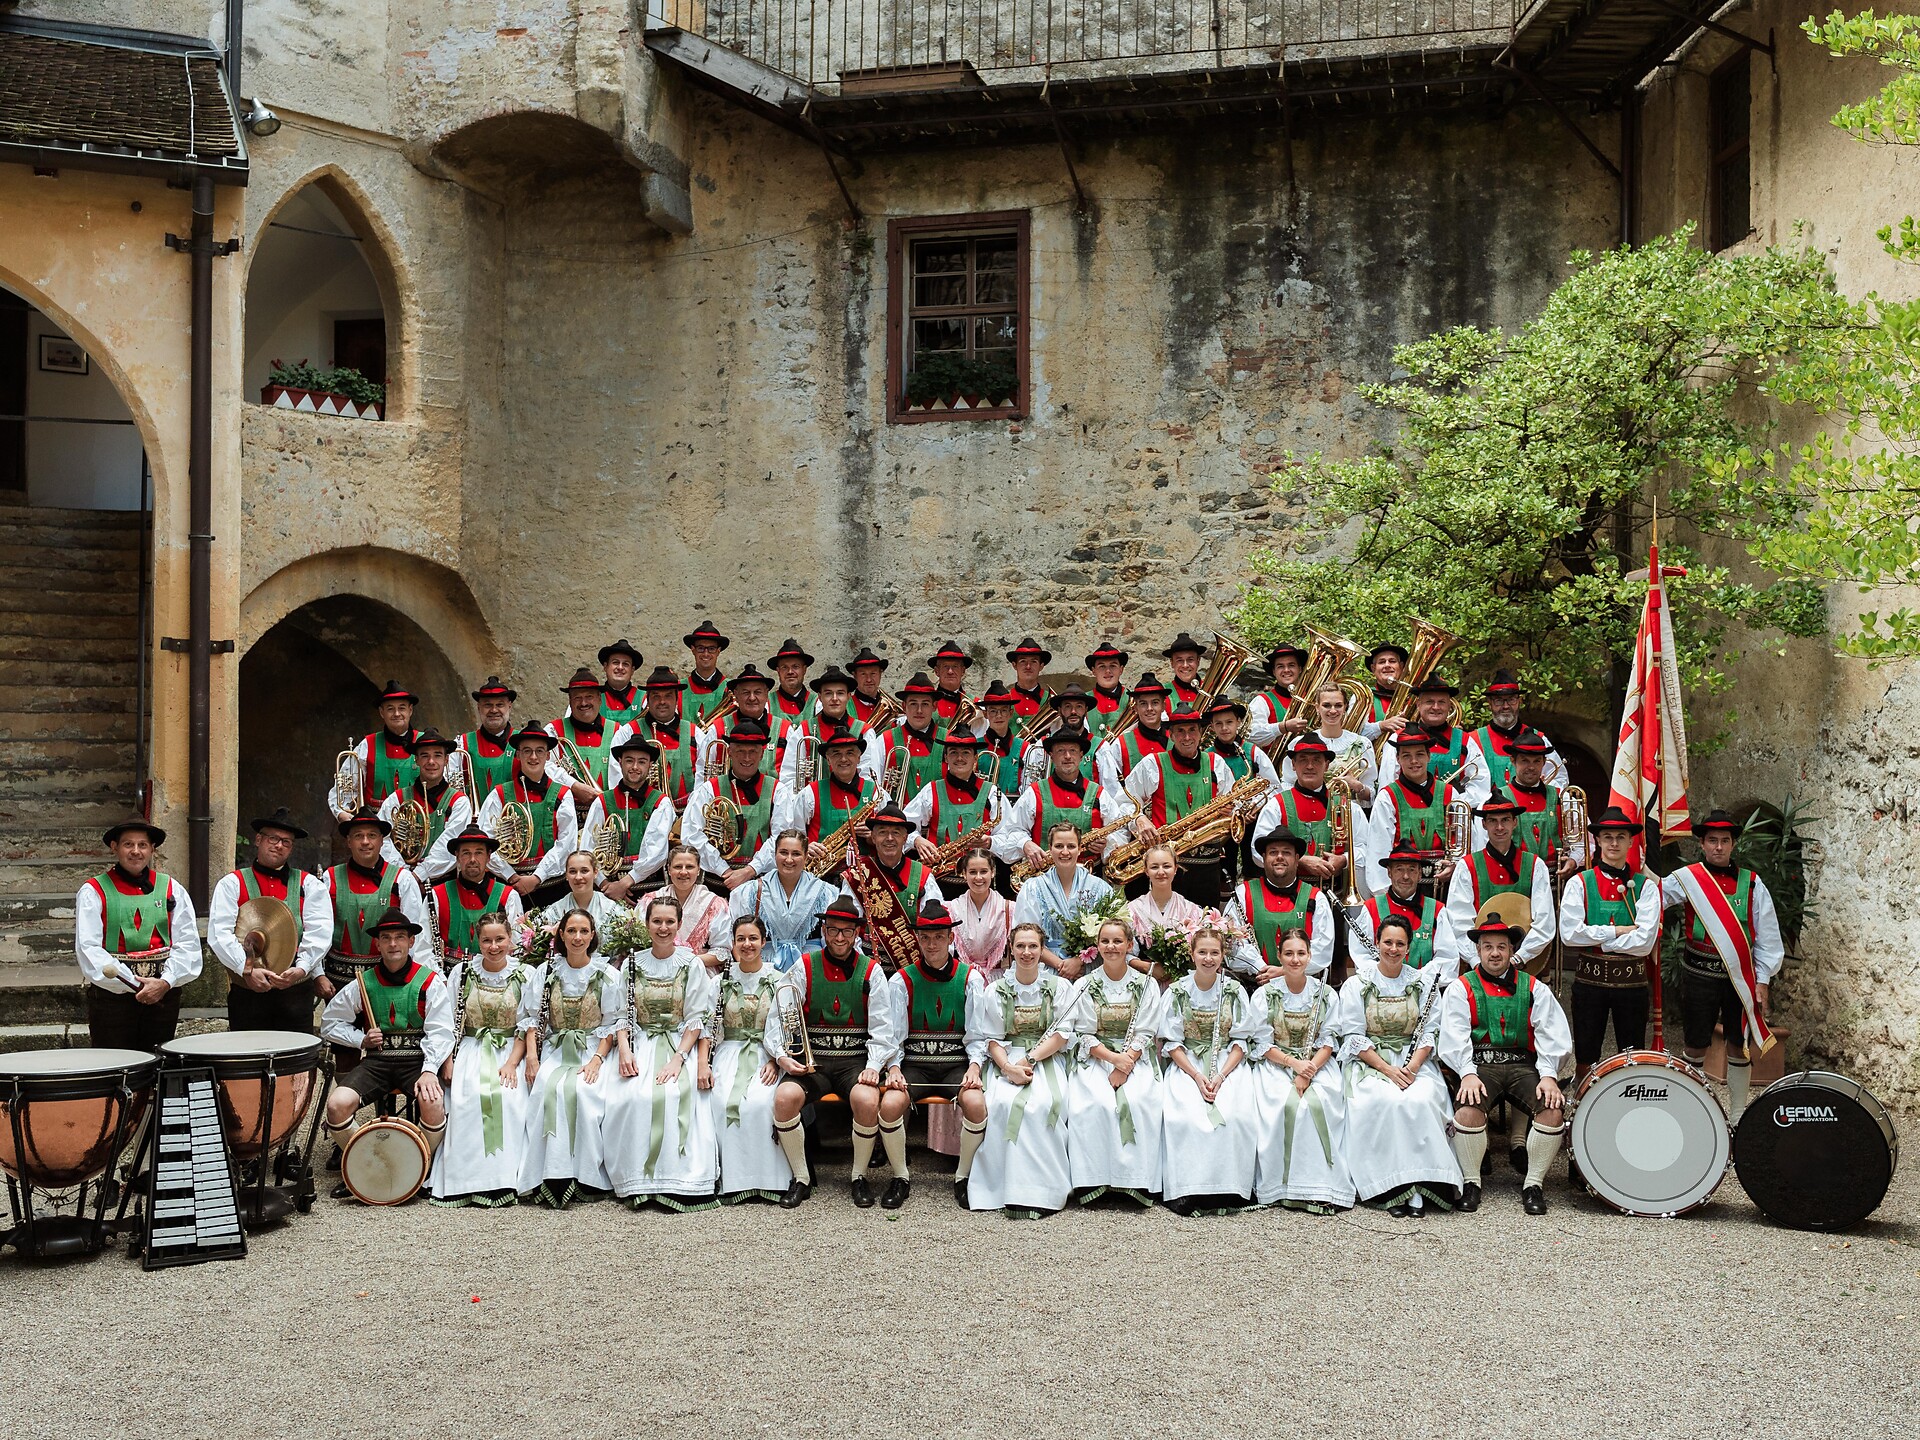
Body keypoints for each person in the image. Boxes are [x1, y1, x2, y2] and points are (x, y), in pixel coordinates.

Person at [766, 896, 902, 1209]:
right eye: (833, 930)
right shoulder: (804, 966)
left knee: (867, 1101)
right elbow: (779, 1014)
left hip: (854, 1061)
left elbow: (884, 1027)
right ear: (824, 931)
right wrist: (782, 1056)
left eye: (846, 931)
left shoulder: (871, 971)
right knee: (784, 1099)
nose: (839, 937)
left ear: (857, 934)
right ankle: (801, 1178)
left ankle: (859, 1176)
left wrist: (873, 1065)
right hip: (814, 1061)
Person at [1438, 909, 1573, 1214]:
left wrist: (1548, 1075)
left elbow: (1552, 1034)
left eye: (1501, 946)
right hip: (1480, 1066)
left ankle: (1533, 1184)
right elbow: (1454, 1035)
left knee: (1552, 1109)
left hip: (1523, 1066)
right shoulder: (1461, 987)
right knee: (1467, 1110)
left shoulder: (1534, 987)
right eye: (1488, 947)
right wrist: (1467, 1073)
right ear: (1478, 950)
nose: (1495, 953)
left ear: (1512, 950)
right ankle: (1471, 1182)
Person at [1659, 808, 1786, 1122]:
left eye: (1724, 840)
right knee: (1695, 1045)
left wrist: (1763, 980)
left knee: (1738, 1044)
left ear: (1733, 844)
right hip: (1698, 974)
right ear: (1702, 844)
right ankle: (1691, 1113)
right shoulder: (1688, 879)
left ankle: (1738, 1114)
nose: (1718, 846)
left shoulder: (1752, 883)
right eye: (1712, 840)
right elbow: (1654, 899)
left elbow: (1768, 935)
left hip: (1738, 979)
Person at [319, 906, 453, 1199]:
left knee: (433, 1103)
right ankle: (365, 1168)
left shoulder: (429, 981)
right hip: (377, 1063)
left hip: (416, 1062)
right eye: (386, 938)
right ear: (377, 944)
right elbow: (329, 1023)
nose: (393, 944)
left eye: (400, 937)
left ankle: (415, 1171)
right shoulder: (363, 983)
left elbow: (442, 1032)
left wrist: (430, 1070)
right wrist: (361, 1040)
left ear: (411, 941)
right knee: (337, 1105)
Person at [1335, 914, 1459, 1215]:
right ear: (1377, 943)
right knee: (1385, 1100)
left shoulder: (1423, 983)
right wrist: (1388, 1070)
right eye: (1387, 942)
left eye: (1400, 944)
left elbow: (1430, 1032)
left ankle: (1423, 1185)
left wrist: (1412, 1068)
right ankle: (1391, 1186)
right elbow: (1354, 1035)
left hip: (1413, 1061)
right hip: (1371, 1062)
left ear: (1408, 948)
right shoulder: (1357, 984)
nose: (1393, 949)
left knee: (1422, 1099)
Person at [602, 893, 719, 1210]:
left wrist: (679, 1059)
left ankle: (679, 1179)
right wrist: (624, 1050)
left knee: (675, 1093)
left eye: (669, 921)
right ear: (647, 924)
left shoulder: (691, 964)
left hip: (679, 1043)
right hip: (640, 1042)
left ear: (679, 925)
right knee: (632, 1097)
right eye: (657, 921)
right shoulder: (632, 964)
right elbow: (622, 1014)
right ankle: (637, 1178)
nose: (663, 928)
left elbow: (696, 1018)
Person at [965, 921, 1076, 1214]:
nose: (1027, 952)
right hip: (1006, 1057)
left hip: (1046, 1056)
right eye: (1021, 946)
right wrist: (1007, 1067)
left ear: (1042, 949)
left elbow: (1061, 1035)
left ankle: (1044, 1189)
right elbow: (992, 1038)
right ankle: (1004, 1188)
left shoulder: (1059, 988)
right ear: (1011, 950)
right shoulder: (995, 990)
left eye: (1033, 946)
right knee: (1001, 1103)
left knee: (1045, 1104)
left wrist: (1028, 1061)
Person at [885, 898, 990, 1206]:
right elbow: (893, 1036)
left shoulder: (970, 978)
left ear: (950, 937)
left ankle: (963, 1177)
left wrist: (974, 1067)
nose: (932, 944)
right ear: (918, 939)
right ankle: (900, 1176)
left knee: (976, 1104)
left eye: (939, 937)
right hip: (915, 1065)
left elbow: (978, 1034)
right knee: (890, 1105)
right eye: (926, 937)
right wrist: (893, 1068)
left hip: (956, 1065)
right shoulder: (901, 980)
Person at [428, 913, 537, 1207]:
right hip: (471, 1046)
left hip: (510, 1049)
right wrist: (447, 1060)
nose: (493, 946)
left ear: (510, 939)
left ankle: (505, 1178)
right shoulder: (462, 972)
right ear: (478, 941)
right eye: (487, 940)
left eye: (500, 939)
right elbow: (447, 1021)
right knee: (467, 1098)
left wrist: (513, 1063)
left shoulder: (525, 974)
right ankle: (465, 1180)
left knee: (510, 1098)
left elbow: (528, 1024)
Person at [520, 907, 620, 1207]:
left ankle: (585, 1174)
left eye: (584, 931)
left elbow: (612, 1024)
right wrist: (532, 1057)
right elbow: (532, 1019)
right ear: (561, 935)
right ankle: (550, 1172)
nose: (577, 937)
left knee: (584, 1092)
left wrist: (597, 1059)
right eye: (571, 931)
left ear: (592, 936)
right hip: (555, 1048)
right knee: (545, 1090)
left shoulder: (606, 975)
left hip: (592, 1048)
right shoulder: (547, 972)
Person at [74, 816, 201, 1050]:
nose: (135, 851)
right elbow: (88, 948)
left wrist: (165, 982)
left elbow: (187, 942)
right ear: (115, 847)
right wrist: (135, 984)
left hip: (163, 996)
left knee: (157, 1062)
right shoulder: (93, 891)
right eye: (128, 844)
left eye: (142, 845)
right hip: (113, 1000)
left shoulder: (172, 888)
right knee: (115, 1063)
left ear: (152, 849)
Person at [1248, 930, 1353, 1212]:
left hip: (1316, 1063)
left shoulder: (1325, 993)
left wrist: (1308, 1070)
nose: (1295, 960)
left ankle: (1321, 1184)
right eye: (1289, 954)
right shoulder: (1265, 994)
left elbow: (1328, 1041)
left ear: (1310, 956)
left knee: (1324, 1101)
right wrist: (1294, 1065)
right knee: (1282, 1103)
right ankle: (1280, 1185)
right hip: (1277, 1062)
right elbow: (1262, 1043)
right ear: (1279, 956)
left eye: (1301, 953)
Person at [1064, 918, 1165, 1204]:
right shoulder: (1084, 984)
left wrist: (1126, 1062)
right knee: (1094, 1103)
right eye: (1105, 941)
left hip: (1135, 1056)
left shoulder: (1147, 984)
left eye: (1118, 941)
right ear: (1097, 946)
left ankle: (1136, 1181)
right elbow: (1084, 1032)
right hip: (1097, 1055)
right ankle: (1093, 1180)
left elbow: (1147, 1030)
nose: (1111, 947)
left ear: (1130, 945)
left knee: (1140, 1101)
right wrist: (1113, 1059)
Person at [1157, 928, 1258, 1214]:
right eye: (1202, 952)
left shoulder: (1234, 990)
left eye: (1215, 952)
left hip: (1227, 1062)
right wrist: (1197, 1076)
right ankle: (1188, 1188)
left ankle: (1232, 1188)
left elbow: (1240, 1040)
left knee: (1236, 1114)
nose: (1208, 958)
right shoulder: (1177, 991)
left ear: (1223, 955)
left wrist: (1221, 1075)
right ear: (1192, 954)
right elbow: (1172, 1043)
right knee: (1186, 1116)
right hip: (1188, 1062)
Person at [1559, 805, 1662, 1087]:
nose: (1614, 843)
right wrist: (1617, 930)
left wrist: (1598, 940)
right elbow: (1569, 935)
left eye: (1620, 837)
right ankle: (1581, 1104)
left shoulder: (1646, 887)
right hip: (1589, 983)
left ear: (1630, 842)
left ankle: (1628, 1103)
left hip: (1631, 984)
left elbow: (1644, 943)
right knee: (1585, 1055)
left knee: (1631, 1056)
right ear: (1598, 841)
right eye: (1607, 837)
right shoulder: (1579, 883)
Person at [209, 808, 333, 1032]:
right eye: (273, 838)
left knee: (296, 1051)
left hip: (294, 992)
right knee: (248, 1049)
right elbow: (220, 933)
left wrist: (302, 969)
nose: (279, 845)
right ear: (258, 840)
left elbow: (319, 932)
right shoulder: (232, 884)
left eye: (286, 842)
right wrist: (246, 969)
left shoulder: (310, 885)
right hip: (248, 990)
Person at [322, 806, 433, 1031]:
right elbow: (319, 931)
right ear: (348, 841)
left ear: (382, 841)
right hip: (338, 980)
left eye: (372, 835)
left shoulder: (402, 880)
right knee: (342, 1044)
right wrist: (318, 975)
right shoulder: (329, 878)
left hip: (386, 981)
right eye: (358, 836)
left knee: (384, 1042)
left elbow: (413, 937)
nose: (365, 842)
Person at [708, 914, 791, 1203]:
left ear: (764, 942)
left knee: (759, 1103)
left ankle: (769, 1178)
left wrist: (775, 1059)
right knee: (719, 1101)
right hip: (729, 1050)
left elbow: (787, 1027)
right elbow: (707, 1025)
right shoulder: (719, 982)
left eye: (753, 938)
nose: (747, 944)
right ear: (732, 944)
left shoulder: (779, 980)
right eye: (740, 939)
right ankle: (732, 1178)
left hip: (767, 1054)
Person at [1122, 702, 1238, 905]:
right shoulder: (1152, 764)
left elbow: (1233, 805)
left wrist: (1230, 811)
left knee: (1206, 921)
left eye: (1192, 730)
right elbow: (1124, 800)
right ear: (1171, 735)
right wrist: (1139, 819)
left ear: (1201, 733)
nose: (1187, 737)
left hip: (1208, 866)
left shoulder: (1217, 763)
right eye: (1180, 731)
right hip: (1166, 867)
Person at [1443, 790, 1556, 973]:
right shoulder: (1467, 866)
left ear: (1515, 822)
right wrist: (1476, 961)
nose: (1500, 827)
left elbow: (1545, 922)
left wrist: (1520, 957)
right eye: (1493, 821)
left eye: (1505, 820)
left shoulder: (1535, 865)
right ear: (1484, 824)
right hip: (1479, 966)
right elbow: (1458, 922)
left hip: (1522, 965)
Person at [1251, 734, 1361, 909]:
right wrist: (1299, 860)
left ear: (1327, 765)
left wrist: (1344, 859)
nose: (1310, 766)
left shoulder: (1346, 806)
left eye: (1316, 760)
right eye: (1303, 760)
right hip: (1288, 898)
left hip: (1336, 896)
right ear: (1293, 765)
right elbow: (1257, 852)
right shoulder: (1276, 805)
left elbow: (1366, 848)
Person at [478, 723, 579, 909]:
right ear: (518, 755)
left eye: (539, 751)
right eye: (527, 751)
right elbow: (486, 842)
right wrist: (511, 876)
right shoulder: (498, 795)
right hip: (510, 887)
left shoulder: (563, 794)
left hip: (553, 887)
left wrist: (537, 877)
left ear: (547, 756)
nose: (533, 757)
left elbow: (567, 843)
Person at [1225, 829, 1334, 983]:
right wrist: (1261, 968)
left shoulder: (1316, 898)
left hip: (1302, 988)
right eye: (1273, 852)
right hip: (1254, 985)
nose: (1280, 857)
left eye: (1286, 852)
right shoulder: (1242, 893)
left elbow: (1323, 950)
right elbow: (1231, 945)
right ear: (1264, 858)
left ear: (1297, 859)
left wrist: (1284, 971)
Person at [684, 716, 780, 889]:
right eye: (740, 751)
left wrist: (750, 870)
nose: (747, 758)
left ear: (762, 754)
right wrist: (724, 871)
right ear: (729, 752)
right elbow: (692, 835)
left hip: (762, 881)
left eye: (753, 752)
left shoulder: (778, 790)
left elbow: (781, 837)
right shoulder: (708, 789)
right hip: (718, 881)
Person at [1364, 728, 1461, 899]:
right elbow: (1378, 848)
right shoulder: (1387, 797)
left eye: (1420, 754)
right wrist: (1386, 895)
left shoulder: (1450, 793)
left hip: (1445, 887)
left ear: (1429, 756)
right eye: (1406, 755)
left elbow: (1462, 842)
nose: (1414, 761)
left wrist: (1456, 866)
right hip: (1401, 888)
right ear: (1398, 759)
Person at [993, 726, 1105, 873]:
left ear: (1081, 755)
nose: (1067, 756)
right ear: (1051, 755)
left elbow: (1119, 832)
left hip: (1089, 877)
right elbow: (1012, 830)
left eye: (1072, 750)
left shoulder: (1099, 794)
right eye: (1061, 751)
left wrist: (1106, 842)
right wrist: (1025, 844)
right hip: (1042, 877)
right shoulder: (1034, 793)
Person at [725, 830, 840, 972]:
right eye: (784, 853)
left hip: (811, 967)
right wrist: (750, 974)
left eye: (796, 854)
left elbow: (831, 940)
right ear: (775, 854)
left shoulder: (826, 893)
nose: (789, 860)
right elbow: (735, 938)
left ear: (805, 857)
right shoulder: (749, 892)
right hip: (764, 969)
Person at [1012, 821, 1115, 979]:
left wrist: (1079, 962)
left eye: (1071, 846)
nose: (1065, 852)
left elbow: (1113, 933)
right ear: (1050, 848)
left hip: (1089, 969)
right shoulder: (1032, 888)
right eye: (1059, 846)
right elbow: (1024, 936)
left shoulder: (1100, 888)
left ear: (1080, 849)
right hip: (1045, 969)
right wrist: (1061, 965)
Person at [581, 732, 675, 903]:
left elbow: (657, 852)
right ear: (620, 762)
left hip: (649, 886)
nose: (635, 767)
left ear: (650, 765)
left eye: (642, 762)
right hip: (607, 888)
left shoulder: (661, 803)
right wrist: (605, 884)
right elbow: (587, 848)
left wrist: (624, 884)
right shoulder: (602, 801)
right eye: (629, 760)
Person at [1354, 842, 1461, 981]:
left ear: (1420, 874)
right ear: (1389, 872)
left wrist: (1416, 981)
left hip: (1423, 987)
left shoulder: (1437, 910)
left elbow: (1447, 958)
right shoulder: (1371, 908)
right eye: (1399, 869)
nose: (1405, 876)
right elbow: (1361, 956)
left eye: (1411, 870)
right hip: (1380, 987)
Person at [1461, 669, 1568, 806]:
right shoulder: (1473, 740)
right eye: (1499, 701)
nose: (1506, 706)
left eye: (1511, 700)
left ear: (1519, 701)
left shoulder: (1540, 739)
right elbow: (1464, 785)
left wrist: (1543, 786)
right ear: (1490, 703)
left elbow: (1560, 780)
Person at [377, 728, 470, 882]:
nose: (431, 762)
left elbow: (450, 845)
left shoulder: (459, 802)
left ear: (446, 760)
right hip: (400, 879)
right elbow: (382, 838)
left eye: (437, 755)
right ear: (416, 760)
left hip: (445, 884)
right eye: (425, 756)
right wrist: (404, 874)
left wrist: (419, 875)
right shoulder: (397, 799)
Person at [904, 726, 1003, 866]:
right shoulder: (930, 791)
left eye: (966, 753)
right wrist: (916, 840)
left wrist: (991, 842)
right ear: (946, 757)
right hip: (938, 873)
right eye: (953, 752)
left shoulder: (992, 792)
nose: (959, 758)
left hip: (979, 875)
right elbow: (903, 825)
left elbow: (1010, 836)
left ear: (975, 758)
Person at [429, 825, 524, 968]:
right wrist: (439, 976)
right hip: (447, 975)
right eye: (466, 853)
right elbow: (424, 948)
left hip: (494, 973)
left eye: (478, 853)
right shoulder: (436, 895)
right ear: (457, 857)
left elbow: (516, 948)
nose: (472, 859)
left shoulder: (509, 896)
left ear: (488, 856)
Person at [1275, 683, 1377, 802]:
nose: (1333, 711)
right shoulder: (1299, 743)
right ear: (1317, 708)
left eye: (1338, 705)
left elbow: (1371, 794)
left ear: (1345, 707)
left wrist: (1357, 786)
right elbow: (1287, 783)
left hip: (1350, 811)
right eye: (1326, 705)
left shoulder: (1363, 744)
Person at [772, 666, 868, 792]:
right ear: (820, 697)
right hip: (812, 801)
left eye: (840, 693)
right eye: (828, 693)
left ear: (849, 696)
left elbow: (868, 776)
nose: (834, 698)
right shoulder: (804, 730)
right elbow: (789, 776)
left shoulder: (864, 731)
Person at [640, 845, 731, 968]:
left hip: (698, 968)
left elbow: (722, 952)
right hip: (655, 966)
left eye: (689, 867)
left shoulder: (714, 904)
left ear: (698, 870)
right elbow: (639, 945)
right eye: (678, 867)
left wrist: (684, 962)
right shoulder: (650, 901)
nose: (683, 872)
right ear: (669, 869)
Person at [1499, 731, 1575, 876]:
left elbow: (1579, 841)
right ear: (1513, 761)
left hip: (1555, 878)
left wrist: (1573, 860)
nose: (1531, 767)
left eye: (1536, 761)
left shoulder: (1562, 797)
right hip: (1513, 878)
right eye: (1524, 761)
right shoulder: (1498, 798)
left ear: (1544, 762)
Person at [1094, 674, 1170, 816]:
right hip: (1136, 822)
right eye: (1143, 704)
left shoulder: (1177, 739)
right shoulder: (1120, 744)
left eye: (1155, 703)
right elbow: (1113, 791)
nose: (1149, 708)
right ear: (1135, 708)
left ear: (1163, 706)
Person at [1126, 845, 1204, 981]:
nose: (1161, 872)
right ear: (1146, 871)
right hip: (1143, 982)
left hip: (1183, 982)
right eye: (1154, 867)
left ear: (1175, 869)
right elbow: (1122, 952)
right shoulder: (1132, 910)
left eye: (1166, 866)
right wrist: (1148, 968)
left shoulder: (1191, 910)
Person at [866, 671, 944, 803]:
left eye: (925, 704)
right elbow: (874, 786)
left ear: (934, 707)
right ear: (903, 706)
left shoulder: (948, 740)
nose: (919, 710)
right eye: (913, 703)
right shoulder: (884, 740)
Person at [1379, 676, 1469, 788]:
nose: (1436, 707)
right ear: (1418, 705)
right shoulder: (1398, 738)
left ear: (1449, 706)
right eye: (1429, 702)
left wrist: (1454, 796)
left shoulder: (1466, 740)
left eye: (1441, 702)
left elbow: (1479, 785)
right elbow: (1387, 785)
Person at [547, 666, 618, 809]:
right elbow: (543, 766)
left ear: (599, 699)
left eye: (589, 697)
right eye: (577, 698)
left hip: (604, 812)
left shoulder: (617, 731)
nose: (584, 703)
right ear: (570, 701)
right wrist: (573, 785)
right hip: (564, 812)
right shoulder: (553, 730)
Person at [344, 679, 419, 808]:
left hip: (417, 819)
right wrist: (343, 813)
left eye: (402, 708)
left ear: (410, 710)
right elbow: (345, 789)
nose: (396, 714)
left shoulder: (425, 744)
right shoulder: (367, 745)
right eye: (390, 709)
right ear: (381, 712)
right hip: (376, 819)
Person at [634, 665, 700, 804]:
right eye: (656, 696)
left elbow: (703, 778)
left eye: (668, 696)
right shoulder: (629, 731)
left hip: (686, 812)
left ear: (677, 699)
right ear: (648, 700)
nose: (662, 702)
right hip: (643, 810)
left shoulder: (696, 733)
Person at [949, 848, 1014, 985]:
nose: (978, 877)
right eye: (973, 872)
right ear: (964, 874)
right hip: (962, 979)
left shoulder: (1009, 909)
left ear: (992, 872)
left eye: (983, 871)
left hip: (999, 980)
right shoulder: (951, 909)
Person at [460, 675, 520, 800]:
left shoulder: (524, 742)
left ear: (509, 706)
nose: (494, 710)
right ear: (478, 707)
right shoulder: (462, 743)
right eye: (488, 705)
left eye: (500, 704)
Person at [536, 850, 623, 932]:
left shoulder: (611, 909)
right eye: (573, 871)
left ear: (595, 873)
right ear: (566, 875)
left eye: (584, 871)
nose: (578, 877)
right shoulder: (555, 911)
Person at [1245, 643, 1310, 751]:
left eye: (1291, 665)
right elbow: (1251, 735)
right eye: (1280, 666)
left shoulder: (1311, 700)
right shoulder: (1262, 701)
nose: (1286, 670)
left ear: (1300, 669)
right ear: (1274, 672)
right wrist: (1283, 727)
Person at [679, 622, 731, 728]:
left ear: (718, 651)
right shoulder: (679, 688)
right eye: (701, 648)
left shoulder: (730, 688)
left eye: (711, 649)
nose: (706, 654)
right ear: (693, 650)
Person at [1082, 640, 1130, 745]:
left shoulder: (1133, 700)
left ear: (1121, 669)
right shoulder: (1083, 701)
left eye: (1113, 666)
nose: (1108, 671)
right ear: (1093, 671)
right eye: (1102, 666)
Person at [925, 639, 979, 731]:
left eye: (955, 666)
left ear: (963, 671)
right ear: (937, 671)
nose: (950, 671)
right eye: (945, 666)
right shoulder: (925, 703)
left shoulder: (976, 704)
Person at [767, 638, 819, 730]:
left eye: (795, 667)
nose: (790, 672)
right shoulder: (766, 702)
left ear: (804, 670)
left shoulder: (818, 703)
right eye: (784, 667)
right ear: (778, 671)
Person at [597, 639, 645, 725]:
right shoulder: (593, 698)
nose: (620, 667)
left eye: (625, 664)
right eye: (615, 662)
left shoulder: (645, 699)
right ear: (605, 666)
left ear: (632, 670)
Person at [1004, 637, 1053, 720]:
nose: (1028, 666)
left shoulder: (1051, 701)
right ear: (1014, 665)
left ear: (1041, 666)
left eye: (1034, 662)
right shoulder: (1005, 699)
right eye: (1023, 661)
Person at [846, 646, 893, 727]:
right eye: (863, 674)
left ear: (880, 674)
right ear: (854, 676)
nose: (869, 679)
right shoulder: (845, 707)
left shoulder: (891, 707)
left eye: (873, 673)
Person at [1162, 632, 1208, 712]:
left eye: (1190, 659)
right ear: (1172, 663)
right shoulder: (1163, 693)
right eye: (1179, 660)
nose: (1185, 665)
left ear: (1198, 661)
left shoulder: (1210, 689)